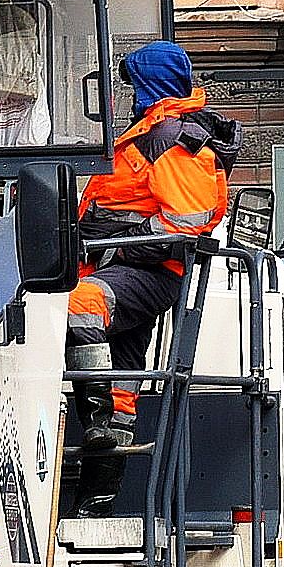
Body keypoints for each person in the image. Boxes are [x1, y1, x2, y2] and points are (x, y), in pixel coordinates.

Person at [67, 42, 233, 452]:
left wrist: (121, 245)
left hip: (149, 270)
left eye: (133, 85)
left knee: (82, 304)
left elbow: (187, 219)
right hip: (125, 267)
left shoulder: (174, 139)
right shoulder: (154, 134)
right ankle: (101, 481)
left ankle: (99, 416)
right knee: (123, 376)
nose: (127, 96)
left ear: (148, 85)